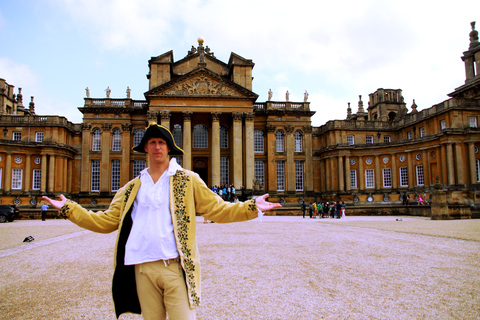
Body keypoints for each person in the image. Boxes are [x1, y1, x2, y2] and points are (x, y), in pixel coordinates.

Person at [42, 123, 281, 320]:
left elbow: (217, 209)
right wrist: (69, 209)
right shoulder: (131, 188)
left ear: (169, 149)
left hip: (175, 267)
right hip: (142, 268)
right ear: (145, 148)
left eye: (162, 143)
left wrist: (251, 207)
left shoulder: (187, 180)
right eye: (152, 142)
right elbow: (105, 221)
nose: (157, 147)